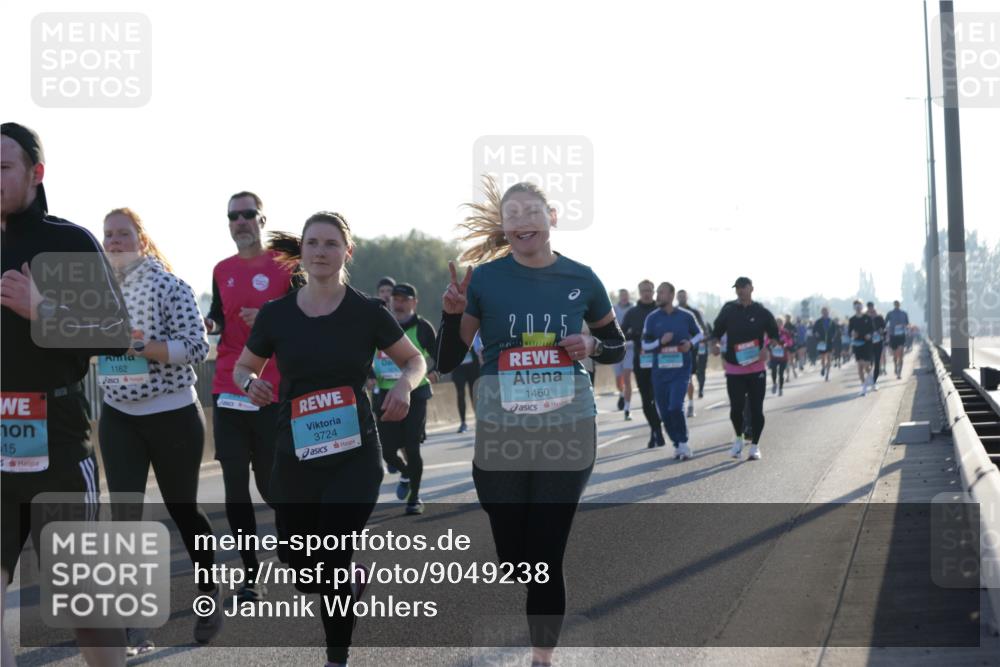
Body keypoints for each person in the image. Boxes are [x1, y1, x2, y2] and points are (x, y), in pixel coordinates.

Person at [435, 177, 625, 667]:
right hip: (502, 431)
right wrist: (450, 314)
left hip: (570, 426)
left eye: (531, 211)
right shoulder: (484, 280)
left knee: (546, 554)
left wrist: (594, 346)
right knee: (515, 558)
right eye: (512, 214)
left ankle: (543, 657)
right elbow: (450, 359)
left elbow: (617, 344)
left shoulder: (582, 278)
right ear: (504, 228)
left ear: (551, 217)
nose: (522, 220)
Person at [235, 212, 426, 667]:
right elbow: (245, 367)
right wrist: (249, 385)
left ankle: (336, 657)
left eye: (330, 243)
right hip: (295, 452)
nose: (321, 251)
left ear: (347, 252)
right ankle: (349, 582)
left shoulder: (367, 312)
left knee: (334, 556)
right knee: (299, 564)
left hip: (354, 454)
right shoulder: (277, 315)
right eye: (313, 243)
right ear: (301, 251)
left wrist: (402, 386)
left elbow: (414, 360)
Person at [2, 122, 131, 666]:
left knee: (85, 607)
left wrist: (43, 310)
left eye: (2, 167)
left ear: (36, 173)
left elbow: (115, 334)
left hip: (56, 440)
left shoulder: (66, 242)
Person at [98, 208, 221, 649]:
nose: (114, 242)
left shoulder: (169, 285)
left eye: (123, 234)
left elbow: (196, 345)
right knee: (125, 516)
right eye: (108, 234)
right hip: (118, 416)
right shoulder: (96, 290)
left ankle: (208, 592)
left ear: (142, 240)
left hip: (172, 414)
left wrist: (143, 348)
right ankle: (136, 624)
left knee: (182, 508)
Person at [205, 191, 303, 600]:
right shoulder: (221, 269)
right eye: (233, 216)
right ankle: (250, 574)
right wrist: (205, 322)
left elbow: (303, 317)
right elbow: (217, 317)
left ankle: (291, 539)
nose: (240, 222)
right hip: (228, 387)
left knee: (269, 483)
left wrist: (268, 316)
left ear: (262, 220)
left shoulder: (286, 266)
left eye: (248, 215)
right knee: (233, 487)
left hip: (270, 390)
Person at [372, 282, 437, 515]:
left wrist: (436, 371)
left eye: (404, 299)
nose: (398, 303)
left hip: (415, 393)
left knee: (412, 446)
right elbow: (365, 355)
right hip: (384, 395)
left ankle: (415, 498)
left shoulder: (422, 327)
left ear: (414, 302)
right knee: (388, 452)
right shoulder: (379, 325)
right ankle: (407, 473)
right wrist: (369, 376)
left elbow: (440, 354)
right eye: (395, 299)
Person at [710, 277, 779, 462]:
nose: (739, 291)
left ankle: (755, 446)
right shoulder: (729, 309)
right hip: (734, 368)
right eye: (737, 288)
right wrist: (715, 345)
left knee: (757, 409)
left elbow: (774, 335)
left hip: (756, 367)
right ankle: (739, 439)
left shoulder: (761, 311)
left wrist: (767, 348)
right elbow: (715, 333)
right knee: (736, 409)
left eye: (743, 287)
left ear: (751, 288)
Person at [641, 283, 703, 459]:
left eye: (661, 293)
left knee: (676, 406)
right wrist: (660, 342)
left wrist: (690, 344)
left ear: (671, 295)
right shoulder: (652, 318)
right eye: (658, 293)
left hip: (681, 370)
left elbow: (699, 334)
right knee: (664, 412)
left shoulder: (686, 316)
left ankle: (683, 442)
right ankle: (677, 443)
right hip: (660, 373)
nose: (658, 296)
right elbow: (645, 344)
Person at [623, 280, 665, 448]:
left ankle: (657, 430)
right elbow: (622, 333)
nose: (646, 293)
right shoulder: (632, 313)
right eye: (643, 291)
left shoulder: (661, 310)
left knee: (660, 400)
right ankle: (656, 431)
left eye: (649, 290)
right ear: (639, 292)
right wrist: (633, 335)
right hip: (641, 362)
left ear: (653, 291)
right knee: (647, 401)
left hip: (662, 361)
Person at [677, 289, 710, 414]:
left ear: (687, 297)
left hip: (690, 349)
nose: (681, 298)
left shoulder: (693, 313)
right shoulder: (672, 312)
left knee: (688, 377)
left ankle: (690, 404)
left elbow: (702, 331)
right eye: (679, 296)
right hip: (674, 351)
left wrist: (692, 342)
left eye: (683, 296)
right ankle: (679, 403)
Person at [451, 330, 482, 433]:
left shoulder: (472, 330)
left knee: (474, 394)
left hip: (472, 367)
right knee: (460, 394)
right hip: (458, 369)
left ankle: (478, 420)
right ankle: (463, 423)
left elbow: (479, 349)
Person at [612, 289, 634, 419]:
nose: (624, 297)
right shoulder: (613, 308)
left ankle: (627, 408)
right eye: (622, 296)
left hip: (630, 347)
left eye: (626, 295)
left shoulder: (633, 309)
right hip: (616, 347)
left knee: (627, 377)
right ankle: (621, 394)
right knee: (618, 379)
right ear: (619, 297)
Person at [848, 300, 875, 397]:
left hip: (867, 344)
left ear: (862, 307)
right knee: (860, 367)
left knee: (866, 367)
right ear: (854, 308)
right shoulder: (852, 320)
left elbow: (872, 329)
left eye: (859, 305)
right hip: (857, 344)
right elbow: (849, 332)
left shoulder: (867, 318)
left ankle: (872, 379)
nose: (858, 307)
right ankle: (864, 388)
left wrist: (869, 334)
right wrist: (852, 334)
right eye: (856, 306)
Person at [768, 321, 794, 396]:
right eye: (777, 323)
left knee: (781, 373)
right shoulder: (771, 332)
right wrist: (770, 345)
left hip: (783, 356)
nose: (778, 325)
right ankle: (774, 384)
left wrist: (786, 344)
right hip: (774, 356)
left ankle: (781, 389)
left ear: (782, 324)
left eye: (780, 323)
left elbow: (790, 342)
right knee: (773, 370)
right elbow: (767, 341)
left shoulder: (785, 332)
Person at [886, 300, 909, 378]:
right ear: (894, 305)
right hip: (893, 336)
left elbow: (907, 323)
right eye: (895, 304)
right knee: (895, 355)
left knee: (901, 354)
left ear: (899, 305)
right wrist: (888, 330)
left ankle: (899, 373)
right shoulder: (890, 313)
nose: (897, 305)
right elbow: (885, 323)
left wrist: (904, 326)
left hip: (901, 335)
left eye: (898, 304)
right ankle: (895, 366)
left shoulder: (904, 313)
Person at [812, 307, 836, 381]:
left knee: (829, 358)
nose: (825, 313)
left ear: (828, 312)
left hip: (829, 342)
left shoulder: (831, 321)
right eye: (823, 312)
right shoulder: (818, 321)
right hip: (821, 342)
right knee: (822, 357)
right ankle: (823, 367)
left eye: (826, 311)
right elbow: (814, 330)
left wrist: (833, 337)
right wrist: (816, 334)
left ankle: (827, 375)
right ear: (821, 313)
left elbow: (835, 331)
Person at [866, 302, 886, 391]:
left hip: (878, 343)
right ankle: (870, 378)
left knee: (877, 362)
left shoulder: (880, 318)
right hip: (868, 344)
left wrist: (882, 331)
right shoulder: (865, 319)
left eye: (872, 308)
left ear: (874, 308)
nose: (871, 310)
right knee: (869, 362)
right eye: (869, 308)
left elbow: (884, 329)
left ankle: (874, 381)